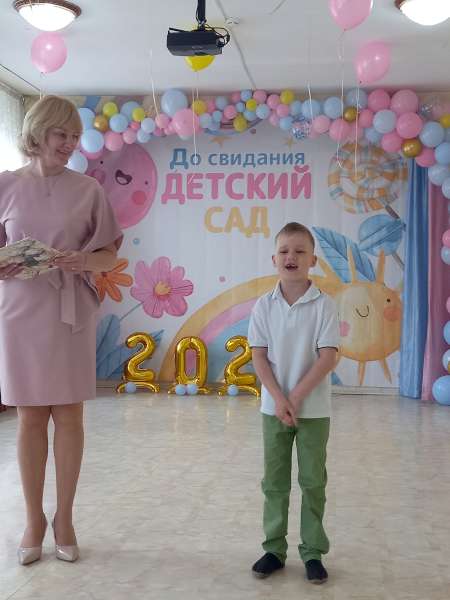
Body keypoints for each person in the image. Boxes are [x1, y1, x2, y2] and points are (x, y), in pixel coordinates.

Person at [0, 95, 123, 565]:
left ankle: (65, 518)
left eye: (75, 136)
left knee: (70, 416)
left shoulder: (88, 190)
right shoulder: (5, 185)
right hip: (20, 311)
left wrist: (83, 260)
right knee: (30, 418)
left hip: (70, 310)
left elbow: (109, 255)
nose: (70, 143)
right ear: (37, 132)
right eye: (61, 134)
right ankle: (33, 521)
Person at [248, 222, 339, 584]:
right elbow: (259, 357)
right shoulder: (263, 305)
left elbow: (327, 356)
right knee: (274, 482)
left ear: (312, 260)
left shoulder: (324, 305)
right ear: (274, 259)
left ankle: (313, 552)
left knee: (313, 482)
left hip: (313, 411)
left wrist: (296, 398)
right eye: (285, 250)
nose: (292, 256)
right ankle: (274, 549)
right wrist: (279, 399)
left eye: (300, 251)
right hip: (273, 410)